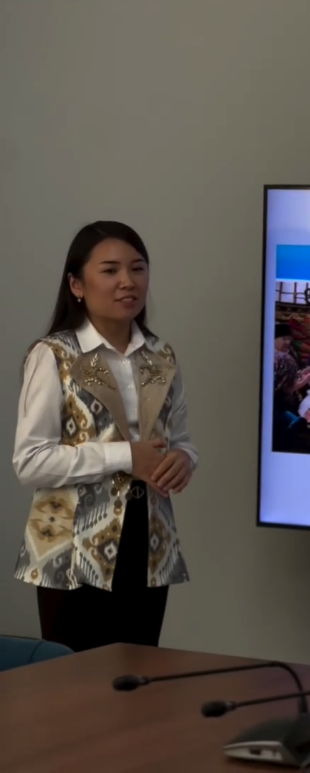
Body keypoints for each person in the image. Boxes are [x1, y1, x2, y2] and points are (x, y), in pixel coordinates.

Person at [12, 221, 198, 653]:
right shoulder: (54, 354)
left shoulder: (160, 355)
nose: (127, 281)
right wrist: (125, 456)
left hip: (149, 544)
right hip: (71, 549)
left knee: (138, 673)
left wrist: (184, 460)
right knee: (75, 681)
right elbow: (30, 461)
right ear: (77, 285)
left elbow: (182, 441)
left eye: (137, 268)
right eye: (110, 270)